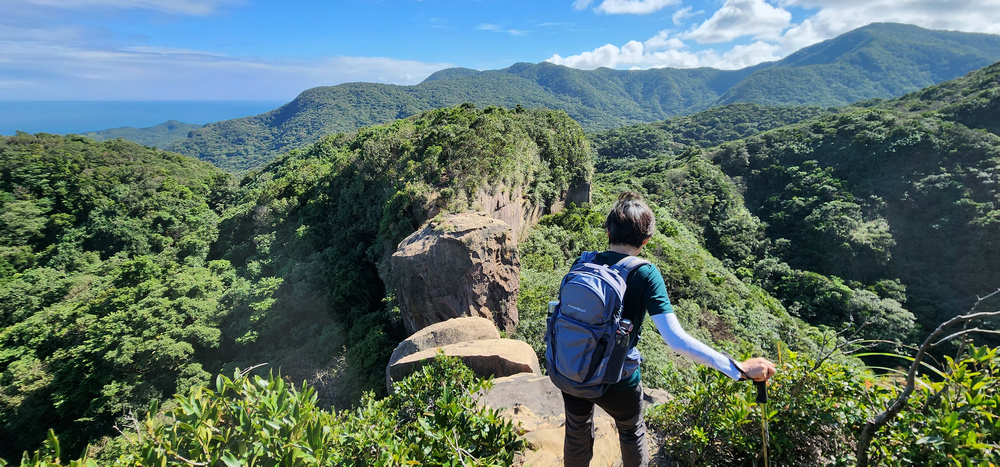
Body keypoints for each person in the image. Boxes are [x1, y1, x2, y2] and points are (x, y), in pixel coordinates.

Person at [561, 192, 777, 467]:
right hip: (616, 380)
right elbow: (675, 339)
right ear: (646, 240)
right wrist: (738, 368)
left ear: (607, 232)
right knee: (631, 432)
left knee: (577, 431)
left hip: (571, 367)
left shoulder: (583, 262)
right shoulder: (644, 273)